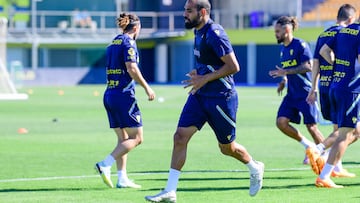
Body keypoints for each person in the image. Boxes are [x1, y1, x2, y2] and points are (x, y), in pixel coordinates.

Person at [145, 0, 264, 202]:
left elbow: (234, 66)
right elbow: (210, 63)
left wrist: (205, 78)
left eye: (189, 11)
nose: (185, 14)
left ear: (202, 12)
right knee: (180, 137)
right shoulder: (197, 31)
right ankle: (170, 191)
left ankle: (254, 167)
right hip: (200, 95)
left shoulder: (215, 33)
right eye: (184, 10)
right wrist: (199, 72)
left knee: (227, 148)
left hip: (221, 98)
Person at [94, 12, 156, 189]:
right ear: (136, 28)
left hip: (110, 94)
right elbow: (132, 68)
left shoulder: (113, 42)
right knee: (137, 138)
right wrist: (147, 87)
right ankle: (105, 164)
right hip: (123, 96)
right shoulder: (129, 43)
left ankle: (122, 178)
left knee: (123, 140)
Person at [306, 4, 357, 178]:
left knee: (342, 128)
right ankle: (319, 151)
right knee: (345, 131)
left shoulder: (326, 33)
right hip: (346, 85)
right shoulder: (346, 33)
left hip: (327, 86)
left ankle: (335, 167)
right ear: (351, 19)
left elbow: (317, 60)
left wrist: (313, 88)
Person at [268, 16, 325, 165]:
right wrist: (284, 80)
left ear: (287, 30)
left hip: (306, 92)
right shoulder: (283, 49)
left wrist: (285, 73)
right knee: (281, 122)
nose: (275, 34)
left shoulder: (301, 45)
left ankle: (330, 159)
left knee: (312, 127)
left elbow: (308, 66)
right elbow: (288, 70)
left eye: (277, 31)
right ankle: (309, 146)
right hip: (292, 94)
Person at [315, 15, 360, 188]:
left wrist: (340, 66)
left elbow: (324, 51)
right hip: (351, 88)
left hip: (336, 85)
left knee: (355, 131)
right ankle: (325, 175)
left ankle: (330, 163)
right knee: (345, 134)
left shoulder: (341, 32)